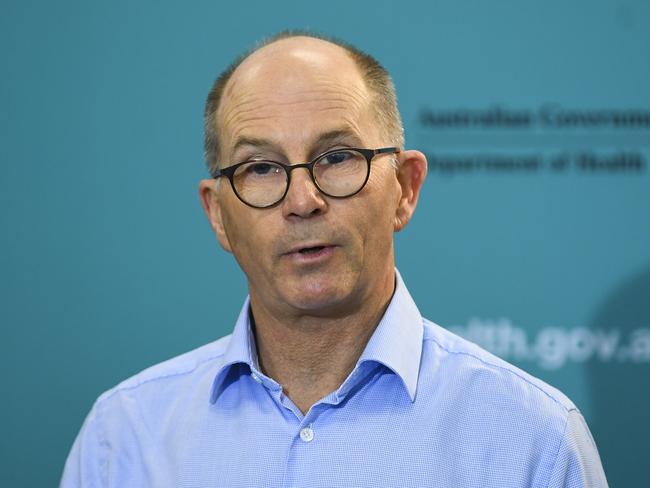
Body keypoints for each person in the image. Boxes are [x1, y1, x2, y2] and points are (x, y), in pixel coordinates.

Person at [61, 32, 608, 487]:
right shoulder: (123, 439)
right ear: (218, 215)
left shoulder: (533, 439)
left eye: (338, 157)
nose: (303, 201)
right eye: (261, 168)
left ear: (405, 187)